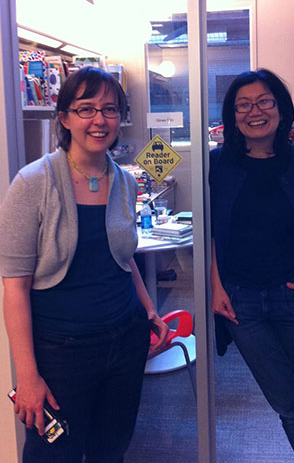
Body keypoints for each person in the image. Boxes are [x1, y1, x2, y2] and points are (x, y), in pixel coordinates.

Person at [0, 66, 169, 463]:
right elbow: (14, 287)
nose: (99, 119)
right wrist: (27, 377)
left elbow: (123, 258)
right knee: (52, 453)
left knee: (111, 449)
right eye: (86, 108)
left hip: (125, 340)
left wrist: (149, 310)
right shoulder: (32, 183)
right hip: (61, 352)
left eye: (110, 109)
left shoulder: (125, 182)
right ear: (64, 118)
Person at [209, 69, 294, 463]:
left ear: (281, 109)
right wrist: (216, 287)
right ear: (232, 116)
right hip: (241, 302)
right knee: (291, 401)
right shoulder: (218, 165)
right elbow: (212, 232)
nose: (255, 111)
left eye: (265, 101)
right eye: (243, 105)